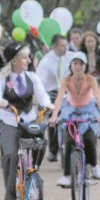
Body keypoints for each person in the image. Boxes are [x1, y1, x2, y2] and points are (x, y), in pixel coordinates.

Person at [0, 42, 54, 200]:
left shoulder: (32, 77)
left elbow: (42, 95)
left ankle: (34, 173)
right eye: (24, 58)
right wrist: (0, 101)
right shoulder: (1, 78)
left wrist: (48, 105)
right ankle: (11, 196)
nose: (27, 60)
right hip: (9, 119)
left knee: (41, 142)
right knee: (10, 154)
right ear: (14, 61)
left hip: (28, 118)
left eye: (27, 57)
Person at [49, 52, 100, 185]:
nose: (78, 66)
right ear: (71, 65)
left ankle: (94, 166)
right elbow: (59, 98)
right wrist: (54, 116)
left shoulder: (91, 79)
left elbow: (98, 98)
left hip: (89, 110)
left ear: (85, 66)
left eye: (81, 63)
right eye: (75, 63)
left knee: (89, 139)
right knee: (69, 141)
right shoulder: (67, 79)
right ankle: (67, 176)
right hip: (71, 111)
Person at [35, 34, 79, 162]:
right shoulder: (46, 62)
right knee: (53, 117)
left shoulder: (71, 57)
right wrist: (44, 102)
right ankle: (53, 150)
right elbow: (40, 83)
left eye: (66, 45)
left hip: (69, 90)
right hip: (52, 92)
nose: (65, 48)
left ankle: (75, 142)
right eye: (62, 46)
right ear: (54, 46)